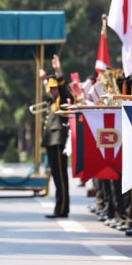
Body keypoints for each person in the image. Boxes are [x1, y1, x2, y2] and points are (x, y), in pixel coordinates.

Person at [43, 54, 71, 218]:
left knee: (61, 177)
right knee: (56, 176)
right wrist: (44, 78)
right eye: (50, 88)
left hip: (59, 140)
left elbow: (63, 89)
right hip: (51, 141)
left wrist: (58, 72)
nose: (52, 90)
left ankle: (62, 209)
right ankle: (59, 207)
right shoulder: (51, 102)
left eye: (54, 88)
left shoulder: (62, 99)